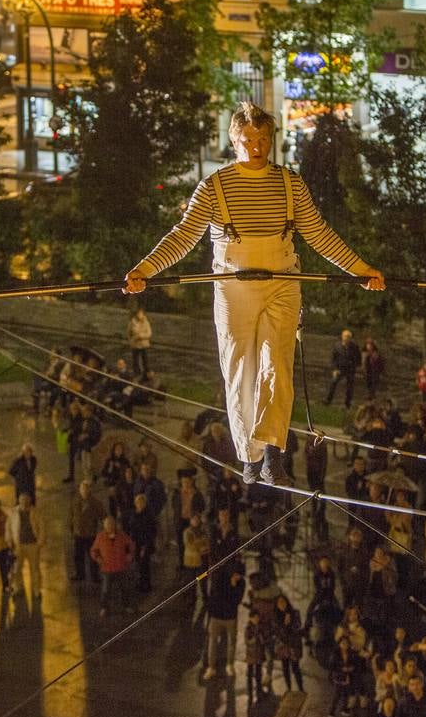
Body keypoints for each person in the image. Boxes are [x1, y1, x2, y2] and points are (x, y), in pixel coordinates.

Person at [124, 102, 384, 486]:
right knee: (240, 371)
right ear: (234, 141)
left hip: (282, 280)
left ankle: (273, 450)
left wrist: (361, 270)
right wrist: (145, 269)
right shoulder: (213, 187)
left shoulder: (291, 184)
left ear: (271, 140)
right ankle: (249, 454)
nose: (257, 146)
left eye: (263, 139)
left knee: (277, 365)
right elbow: (183, 236)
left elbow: (319, 234)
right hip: (233, 287)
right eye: (249, 140)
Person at [90, 515, 135, 617]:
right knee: (106, 590)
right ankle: (104, 608)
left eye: (111, 524)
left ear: (114, 525)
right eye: (107, 524)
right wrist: (97, 558)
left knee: (124, 588)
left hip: (121, 567)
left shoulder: (122, 535)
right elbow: (93, 550)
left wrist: (130, 555)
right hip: (107, 569)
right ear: (104, 526)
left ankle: (127, 606)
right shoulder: (100, 536)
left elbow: (131, 545)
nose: (109, 526)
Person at [8, 492, 44, 598]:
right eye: (22, 500)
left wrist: (40, 542)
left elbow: (42, 527)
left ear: (29, 501)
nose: (24, 503)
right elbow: (8, 527)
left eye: (26, 501)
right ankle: (17, 587)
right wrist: (9, 540)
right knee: (16, 568)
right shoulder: (13, 512)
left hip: (32, 545)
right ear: (19, 501)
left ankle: (36, 590)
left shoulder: (36, 512)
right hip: (18, 545)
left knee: (35, 569)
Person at [69, 479, 105, 583]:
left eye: (86, 489)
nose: (84, 491)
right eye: (82, 489)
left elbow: (103, 515)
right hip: (78, 534)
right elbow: (71, 516)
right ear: (79, 490)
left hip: (90, 534)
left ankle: (95, 576)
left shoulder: (95, 503)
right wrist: (71, 529)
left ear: (89, 490)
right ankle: (80, 574)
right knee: (78, 556)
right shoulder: (75, 501)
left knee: (93, 556)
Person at [326, 329, 362, 408]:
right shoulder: (337, 346)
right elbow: (333, 358)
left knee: (350, 387)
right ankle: (328, 400)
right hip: (339, 369)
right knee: (333, 383)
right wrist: (335, 369)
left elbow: (358, 358)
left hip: (350, 369)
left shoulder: (354, 347)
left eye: (348, 337)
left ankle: (347, 404)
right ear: (342, 337)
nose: (347, 338)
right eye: (345, 336)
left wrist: (354, 366)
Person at [127, 306, 153, 376]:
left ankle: (146, 372)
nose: (140, 315)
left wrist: (142, 336)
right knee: (135, 360)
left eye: (141, 314)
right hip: (135, 344)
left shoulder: (146, 322)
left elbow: (149, 333)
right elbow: (129, 332)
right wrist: (131, 340)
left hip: (144, 344)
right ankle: (136, 372)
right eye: (138, 314)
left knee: (145, 359)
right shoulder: (132, 322)